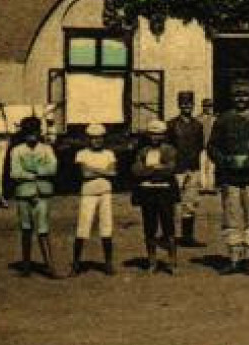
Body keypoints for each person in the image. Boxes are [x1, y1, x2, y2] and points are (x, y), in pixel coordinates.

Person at [207, 77, 249, 275]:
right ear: (231, 97)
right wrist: (226, 161)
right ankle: (234, 257)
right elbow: (212, 147)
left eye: (245, 95)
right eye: (237, 95)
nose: (241, 99)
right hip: (230, 178)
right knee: (232, 217)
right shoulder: (223, 120)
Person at [8, 115, 61, 278]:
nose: (31, 136)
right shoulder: (17, 150)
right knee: (26, 229)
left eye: (34, 132)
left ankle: (49, 266)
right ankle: (26, 266)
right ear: (23, 134)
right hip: (24, 193)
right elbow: (14, 173)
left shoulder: (47, 149)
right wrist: (37, 172)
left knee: (43, 229)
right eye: (28, 133)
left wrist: (31, 171)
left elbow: (53, 169)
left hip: (42, 193)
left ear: (39, 133)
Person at [130, 119, 181, 274]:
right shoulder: (142, 151)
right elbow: (136, 171)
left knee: (168, 227)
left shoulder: (170, 150)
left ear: (163, 135)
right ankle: (152, 261)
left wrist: (150, 170)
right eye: (152, 134)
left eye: (158, 135)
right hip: (147, 193)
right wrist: (157, 169)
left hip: (165, 193)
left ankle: (172, 262)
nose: (155, 138)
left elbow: (170, 170)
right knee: (149, 227)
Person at [72, 123, 118, 276]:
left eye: (100, 138)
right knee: (83, 227)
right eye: (93, 138)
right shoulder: (81, 154)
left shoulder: (109, 154)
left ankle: (108, 263)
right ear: (88, 139)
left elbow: (112, 173)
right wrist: (103, 171)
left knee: (106, 226)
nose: (97, 141)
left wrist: (93, 169)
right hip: (88, 193)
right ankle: (76, 263)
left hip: (105, 192)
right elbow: (85, 174)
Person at [169, 91, 207, 248]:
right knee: (171, 202)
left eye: (189, 103)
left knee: (190, 203)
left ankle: (187, 237)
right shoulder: (171, 124)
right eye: (183, 103)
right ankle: (169, 236)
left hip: (193, 168)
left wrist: (194, 164)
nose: (186, 106)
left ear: (193, 105)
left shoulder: (198, 125)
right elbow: (168, 148)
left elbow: (200, 146)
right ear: (179, 105)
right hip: (176, 169)